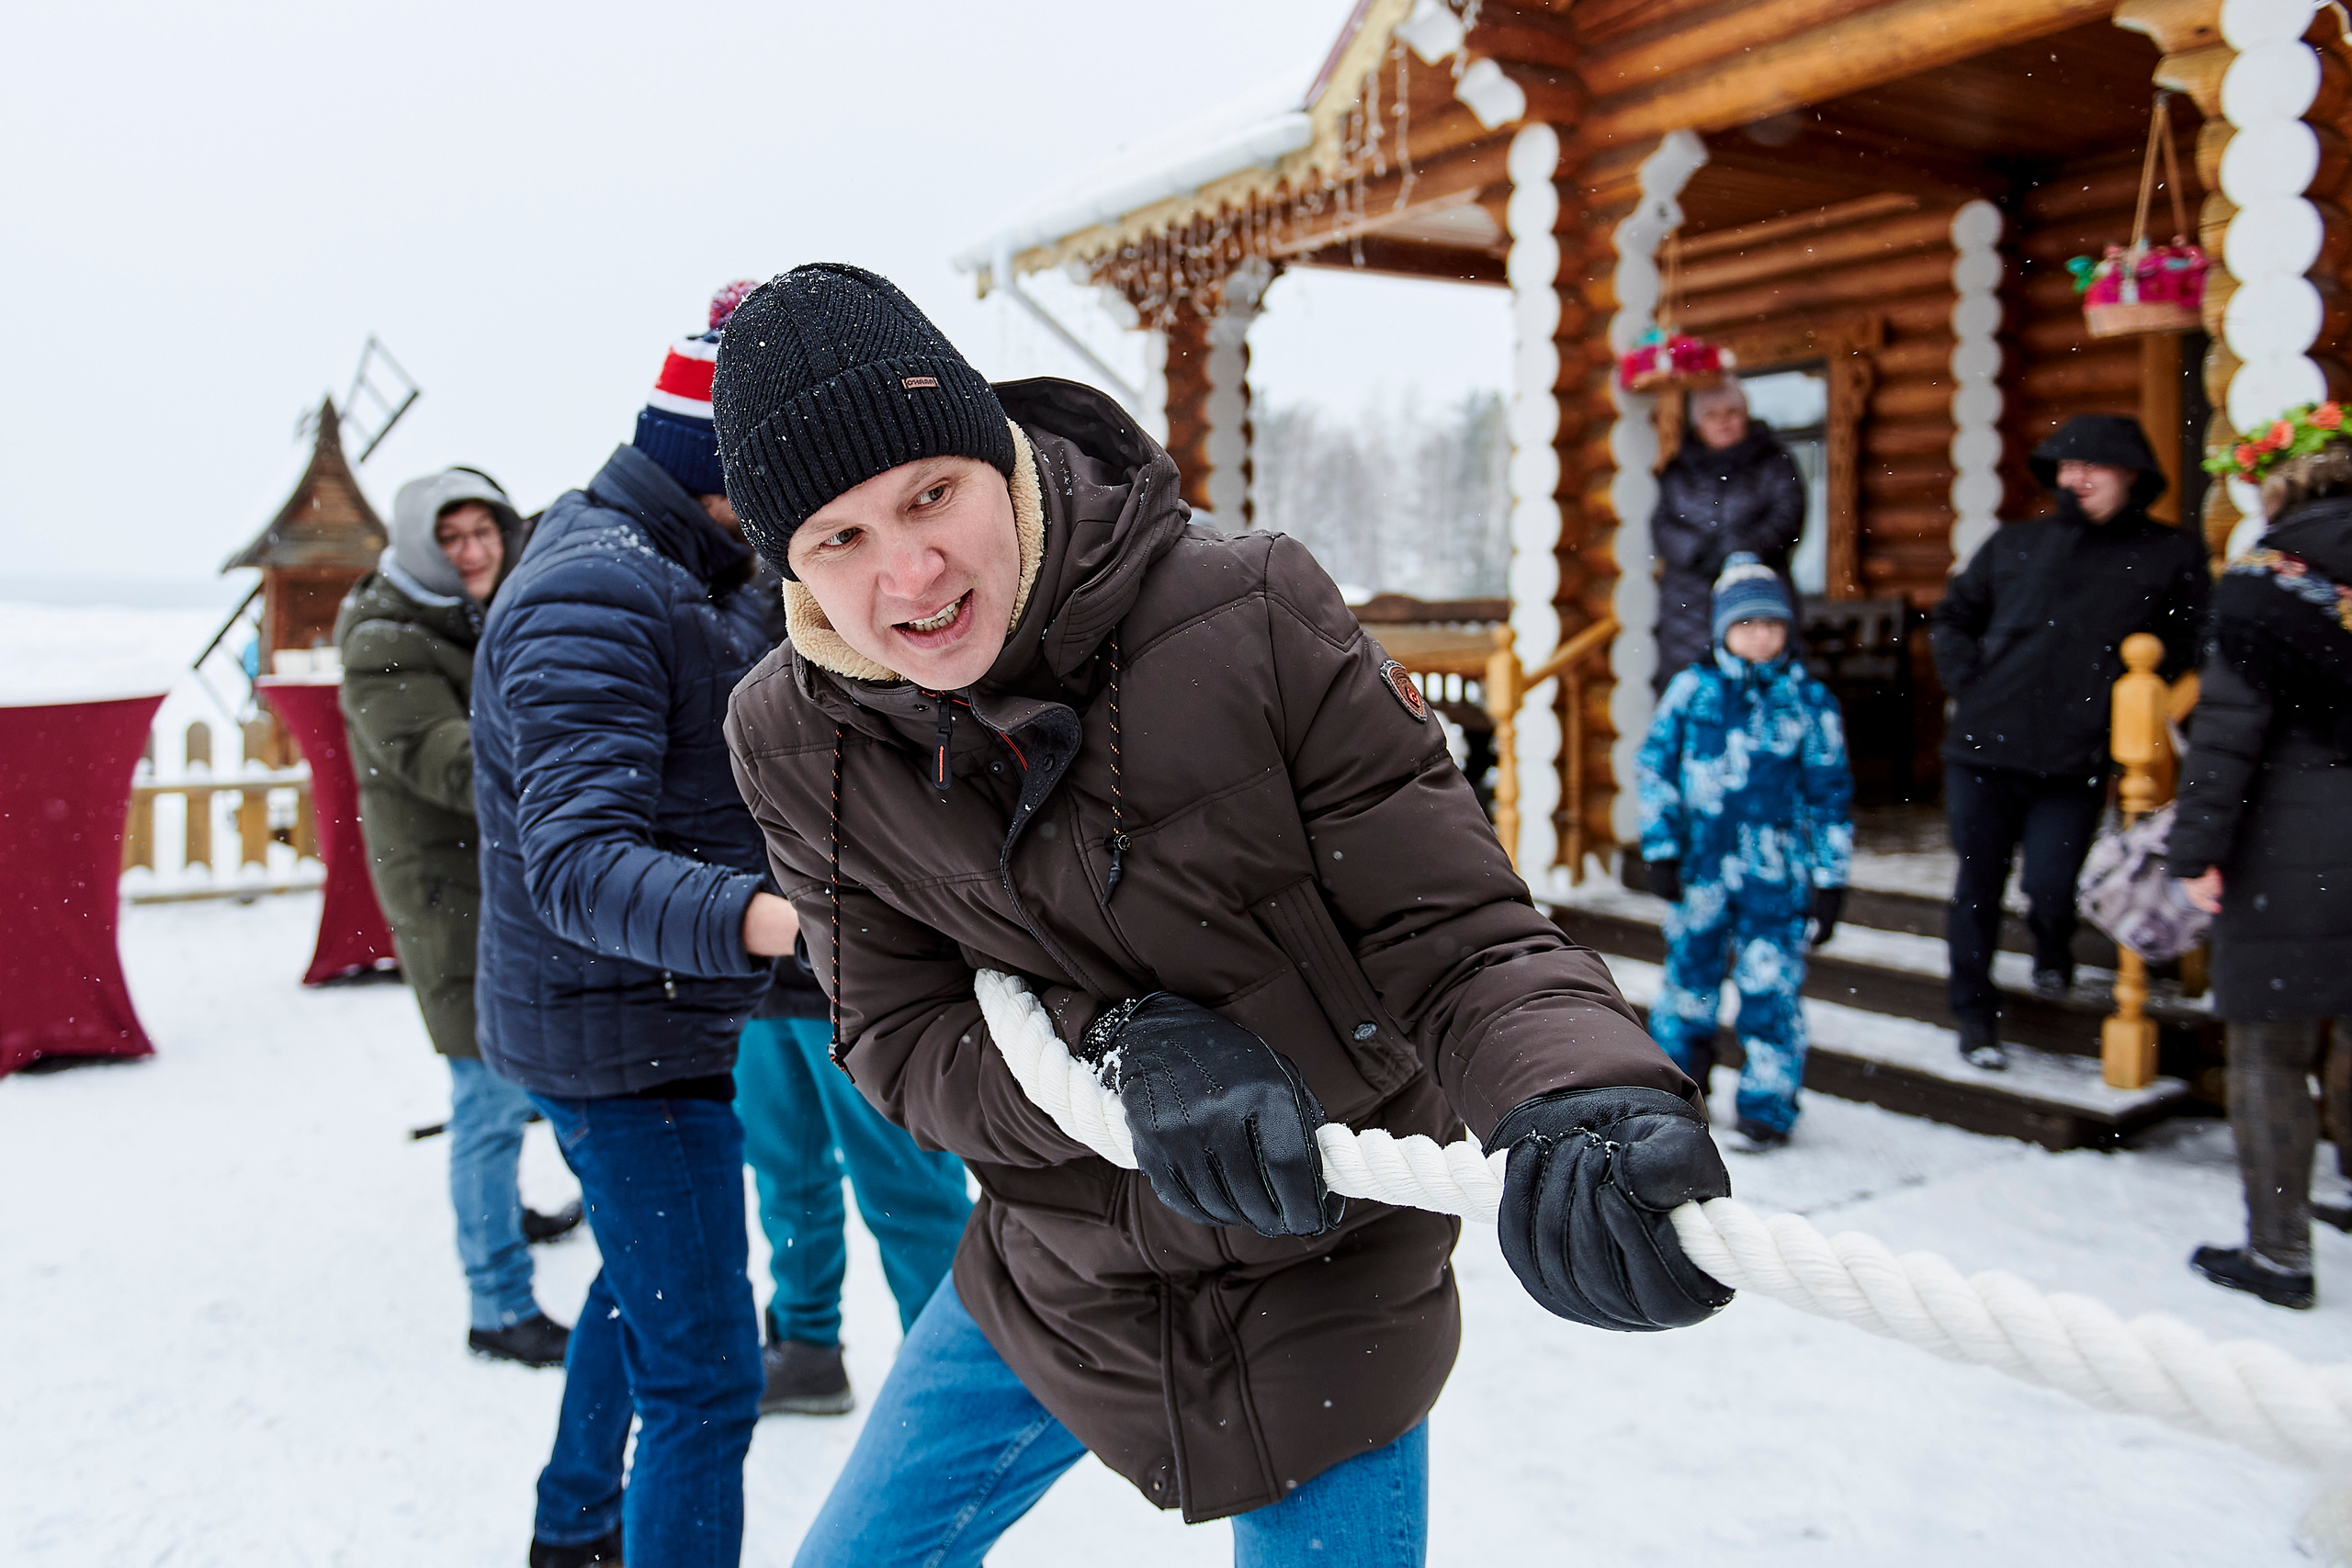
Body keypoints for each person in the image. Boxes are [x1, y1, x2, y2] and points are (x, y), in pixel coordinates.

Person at [714, 264, 1734, 1568]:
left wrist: (1582, 1089)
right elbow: (899, 1032)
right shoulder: (794, 737)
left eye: (930, 494)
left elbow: (1456, 931)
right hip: (1060, 1268)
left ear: (1001, 458)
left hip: (1327, 1270)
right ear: (792, 570)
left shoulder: (1248, 613)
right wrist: (1116, 1058)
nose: (909, 571)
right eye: (836, 540)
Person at [473, 283, 792, 1568]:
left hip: (653, 1015)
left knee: (642, 1280)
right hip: (623, 1037)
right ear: (727, 474)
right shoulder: (591, 593)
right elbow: (580, 862)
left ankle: (571, 1527)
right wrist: (782, 923)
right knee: (709, 1375)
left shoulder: (681, 566)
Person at [337, 466, 582, 1370]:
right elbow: (446, 764)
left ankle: (509, 1220)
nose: (475, 552)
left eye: (486, 531)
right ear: (417, 548)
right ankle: (497, 1304)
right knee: (484, 1097)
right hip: (451, 903)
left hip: (501, 887)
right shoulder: (384, 639)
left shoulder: (477, 617)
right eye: (454, 539)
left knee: (518, 1079)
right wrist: (579, 742)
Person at [1929, 414, 2211, 1071]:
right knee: (1978, 885)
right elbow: (1954, 614)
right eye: (2065, 466)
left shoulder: (2171, 553)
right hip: (1982, 747)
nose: (2074, 479)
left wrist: (2135, 703)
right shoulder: (2014, 543)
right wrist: (1968, 681)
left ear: (2131, 475)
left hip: (2076, 755)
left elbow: (2195, 641)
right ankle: (1974, 1015)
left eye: (2092, 467)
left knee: (2054, 886)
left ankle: (2053, 947)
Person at [2167, 406, 2352, 1310]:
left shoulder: (2263, 588)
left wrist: (2197, 849)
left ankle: (2279, 1252)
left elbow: (2226, 739)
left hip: (2293, 848)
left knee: (2270, 1048)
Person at [734, 855, 974, 1415]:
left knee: (906, 1189)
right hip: (753, 972)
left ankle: (954, 1365)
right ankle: (806, 1346)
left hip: (861, 976)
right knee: (785, 1181)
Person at [1635, 554, 1853, 1152]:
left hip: (1774, 876)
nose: (1761, 635)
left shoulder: (1808, 701)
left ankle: (1766, 1107)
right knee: (1688, 987)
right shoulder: (1691, 691)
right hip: (1701, 868)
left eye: (1773, 624)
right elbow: (1655, 768)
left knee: (1770, 991)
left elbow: (1829, 793)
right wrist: (1659, 846)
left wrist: (1830, 878)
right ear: (1723, 629)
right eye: (1748, 624)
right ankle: (1676, 1098)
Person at [1650, 378, 1808, 691]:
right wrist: (1697, 552)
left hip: (1756, 594)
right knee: (1694, 696)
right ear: (1698, 423)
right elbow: (1662, 524)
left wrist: (1736, 552)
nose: (1723, 421)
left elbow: (1788, 517)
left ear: (1745, 415)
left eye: (1732, 412)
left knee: (1762, 691)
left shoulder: (1774, 462)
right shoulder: (1676, 471)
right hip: (1687, 606)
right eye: (1712, 414)